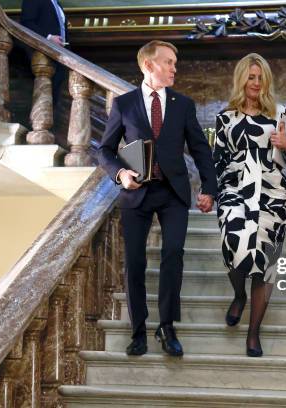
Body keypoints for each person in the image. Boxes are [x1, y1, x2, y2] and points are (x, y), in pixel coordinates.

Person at [97, 40, 217, 357]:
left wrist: (209, 187)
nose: (175, 67)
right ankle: (138, 331)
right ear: (149, 65)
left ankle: (167, 327)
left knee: (173, 255)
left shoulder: (183, 104)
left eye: (175, 62)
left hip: (174, 193)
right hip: (136, 194)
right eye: (169, 62)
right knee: (135, 263)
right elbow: (105, 150)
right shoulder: (123, 105)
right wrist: (120, 174)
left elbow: (200, 149)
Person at [213, 53, 286, 357]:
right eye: (251, 76)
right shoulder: (226, 117)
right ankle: (239, 295)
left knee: (264, 265)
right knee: (232, 248)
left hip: (272, 195)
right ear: (242, 80)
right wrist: (211, 192)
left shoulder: (281, 114)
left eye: (261, 76)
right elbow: (217, 160)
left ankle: (253, 333)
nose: (256, 82)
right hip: (234, 191)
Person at [20, 0, 68, 104]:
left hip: (61, 56)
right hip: (43, 54)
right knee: (43, 98)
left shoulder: (56, 3)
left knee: (54, 97)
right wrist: (49, 37)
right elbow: (26, 23)